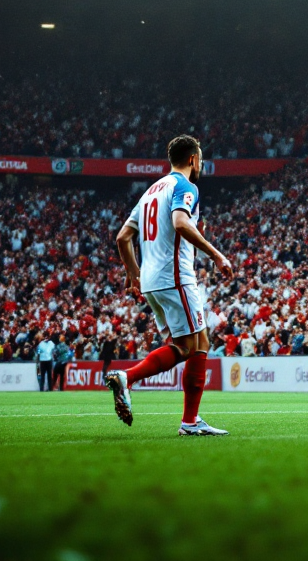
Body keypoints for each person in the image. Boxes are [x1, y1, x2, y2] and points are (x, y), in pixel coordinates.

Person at [105, 135, 234, 435]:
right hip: (175, 276)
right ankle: (131, 379)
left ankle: (190, 420)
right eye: (200, 159)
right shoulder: (185, 186)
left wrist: (134, 274)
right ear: (192, 159)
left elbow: (123, 237)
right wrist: (216, 255)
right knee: (193, 345)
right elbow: (180, 222)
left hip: (152, 281)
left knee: (193, 344)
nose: (201, 165)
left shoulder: (149, 191)